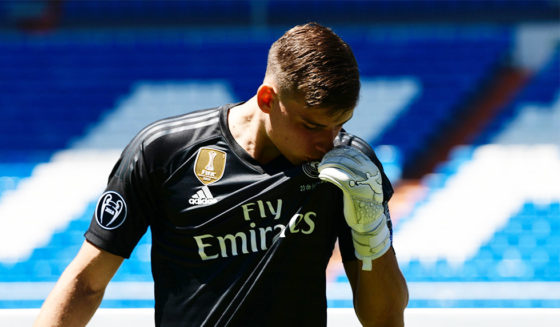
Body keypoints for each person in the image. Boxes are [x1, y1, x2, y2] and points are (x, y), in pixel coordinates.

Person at [34, 22, 408, 327]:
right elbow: (85, 282)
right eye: (311, 125)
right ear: (267, 99)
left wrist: (370, 228)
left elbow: (385, 318)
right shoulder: (164, 152)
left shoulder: (348, 169)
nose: (328, 143)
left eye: (339, 124)